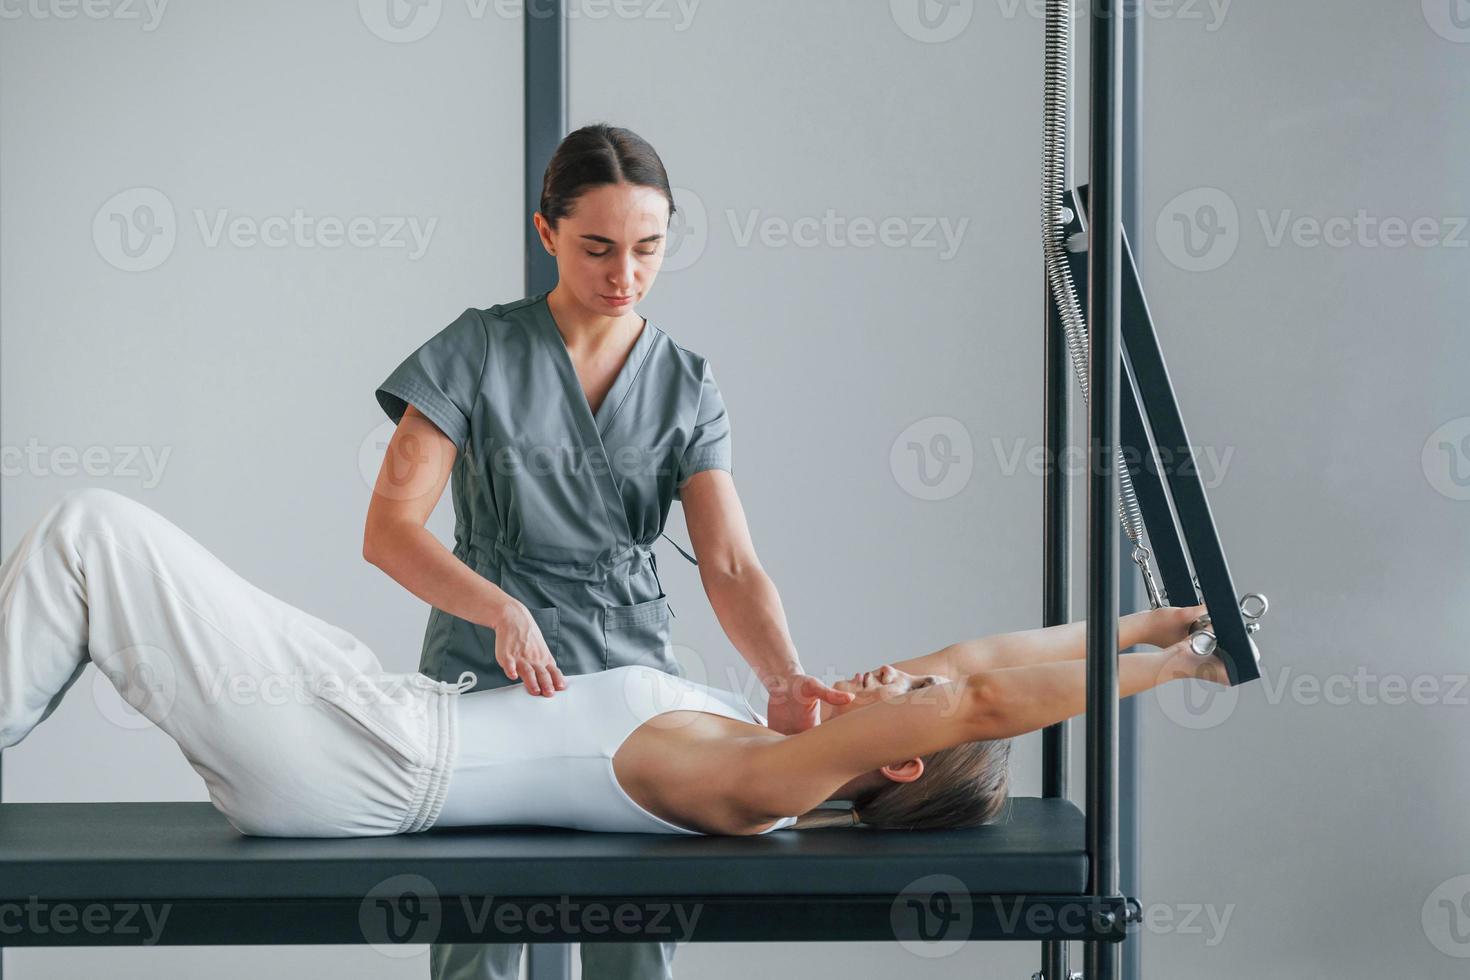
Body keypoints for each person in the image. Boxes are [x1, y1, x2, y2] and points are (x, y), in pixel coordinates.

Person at [0, 487, 1229, 843]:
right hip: (384, 712)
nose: (889, 667)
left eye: (899, 693)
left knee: (94, 532)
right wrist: (1150, 622)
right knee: (102, 551)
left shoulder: (764, 785)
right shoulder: (764, 733)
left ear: (895, 756)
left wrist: (1164, 679)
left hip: (363, 760)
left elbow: (979, 694)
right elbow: (970, 662)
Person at [361, 123, 854, 979]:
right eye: (596, 249)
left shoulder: (688, 384)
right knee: (480, 923)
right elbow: (389, 532)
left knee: (634, 928)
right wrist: (500, 608)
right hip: (485, 661)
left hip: (630, 668)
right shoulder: (476, 350)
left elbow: (730, 564)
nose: (623, 275)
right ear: (546, 232)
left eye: (648, 249)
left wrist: (784, 678)